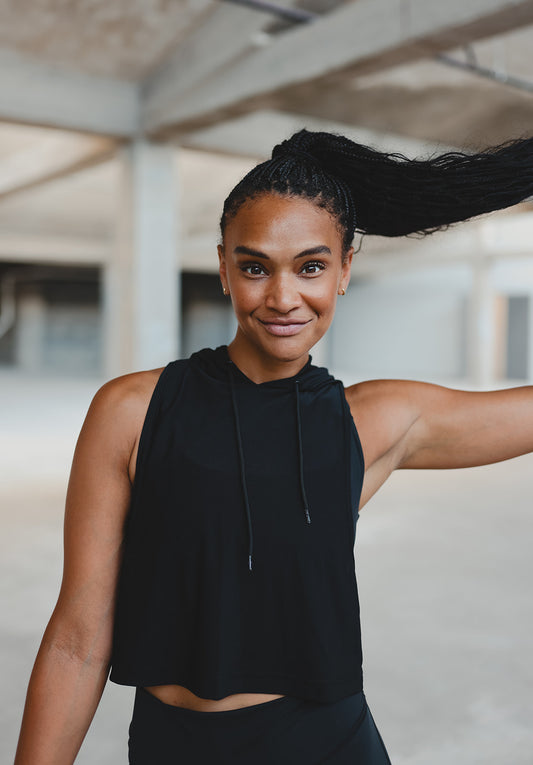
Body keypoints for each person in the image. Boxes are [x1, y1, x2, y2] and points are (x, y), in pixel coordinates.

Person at [13, 128, 533, 765]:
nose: (284, 298)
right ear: (226, 268)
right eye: (255, 267)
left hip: (326, 745)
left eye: (311, 267)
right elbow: (78, 639)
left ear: (344, 271)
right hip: (171, 747)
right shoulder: (132, 411)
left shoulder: (374, 419)